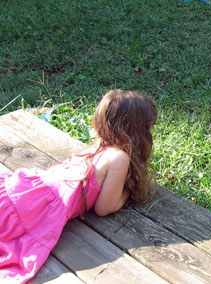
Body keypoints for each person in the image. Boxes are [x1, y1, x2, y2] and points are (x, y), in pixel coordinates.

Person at [0, 89, 157, 283]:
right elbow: (104, 208)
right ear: (135, 130)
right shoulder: (119, 156)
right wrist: (127, 192)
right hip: (33, 206)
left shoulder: (97, 146)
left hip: (26, 190)